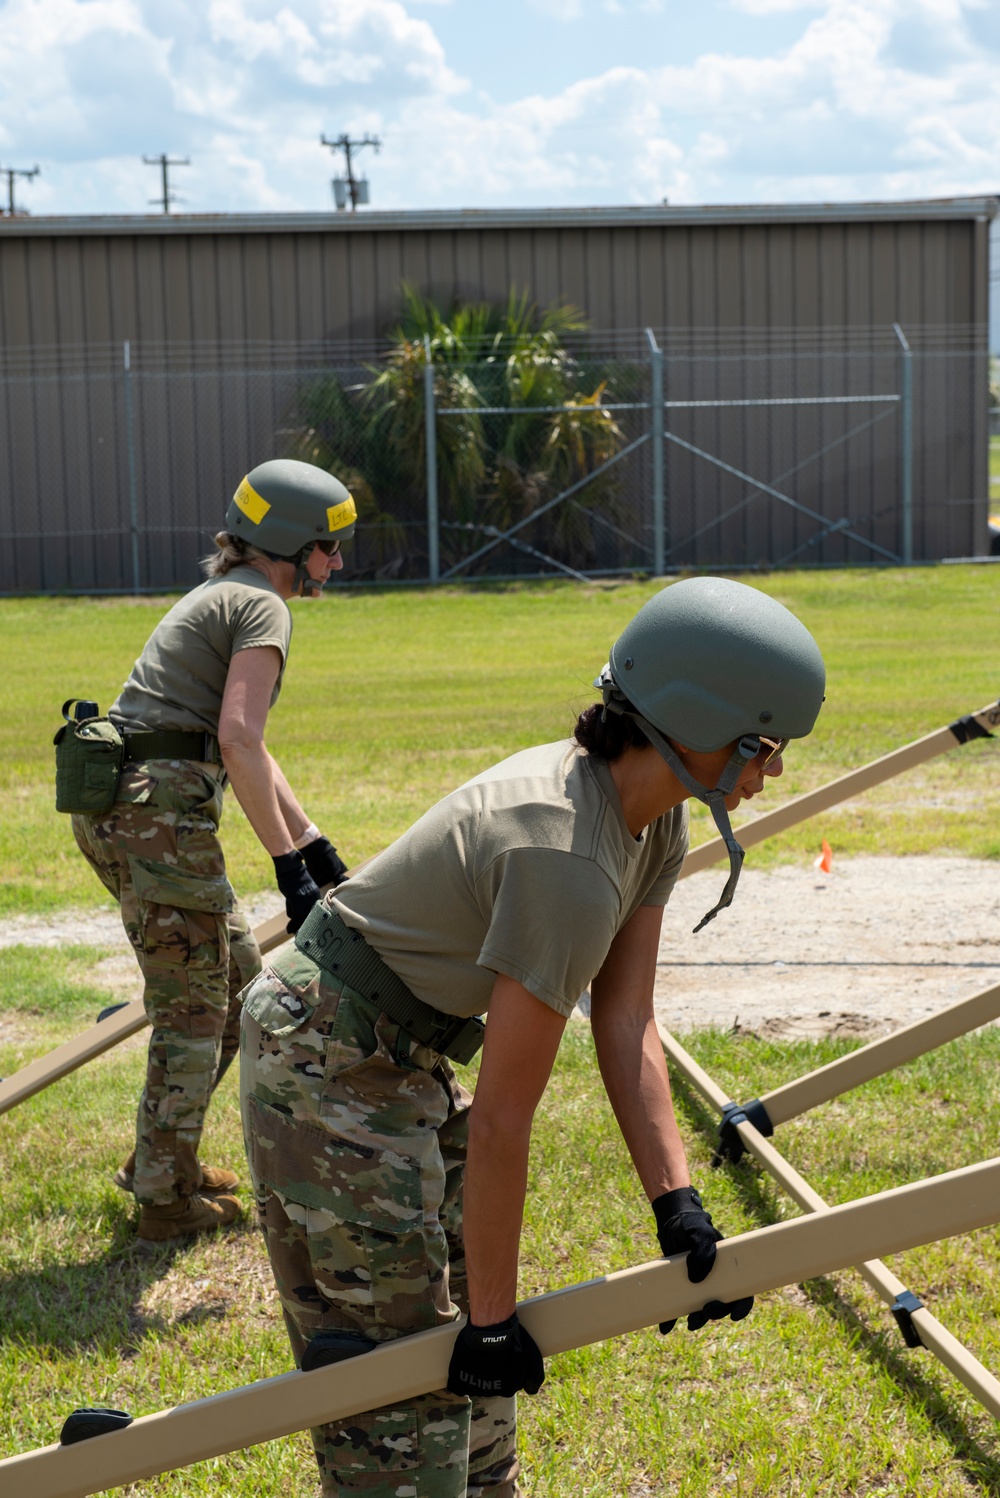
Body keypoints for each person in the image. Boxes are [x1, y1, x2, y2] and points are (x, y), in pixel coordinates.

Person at [238, 575, 826, 1497]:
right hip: (325, 1052)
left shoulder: (654, 819)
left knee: (472, 1365)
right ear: (690, 723)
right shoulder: (567, 857)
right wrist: (490, 1325)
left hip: (404, 1048)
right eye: (760, 745)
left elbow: (627, 1019)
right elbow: (508, 1118)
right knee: (397, 1378)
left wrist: (679, 1205)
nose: (772, 771)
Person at [72, 458, 357, 1251]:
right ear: (290, 544)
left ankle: (164, 1160)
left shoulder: (225, 593)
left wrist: (312, 845)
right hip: (157, 818)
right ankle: (164, 1204)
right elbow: (238, 736)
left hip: (133, 810)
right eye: (329, 548)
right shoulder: (263, 606)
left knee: (232, 988)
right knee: (196, 1008)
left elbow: (247, 746)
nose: (335, 564)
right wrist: (288, 874)